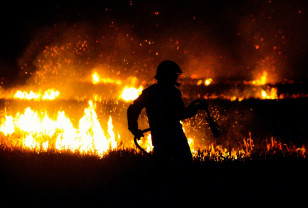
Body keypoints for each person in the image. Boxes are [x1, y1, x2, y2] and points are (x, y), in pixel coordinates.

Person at [127, 60, 205, 166]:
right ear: (167, 76)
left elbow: (132, 110)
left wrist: (134, 129)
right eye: (174, 75)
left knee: (163, 171)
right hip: (175, 139)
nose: (175, 78)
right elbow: (181, 114)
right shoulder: (173, 93)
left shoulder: (150, 93)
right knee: (183, 168)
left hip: (161, 139)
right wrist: (195, 108)